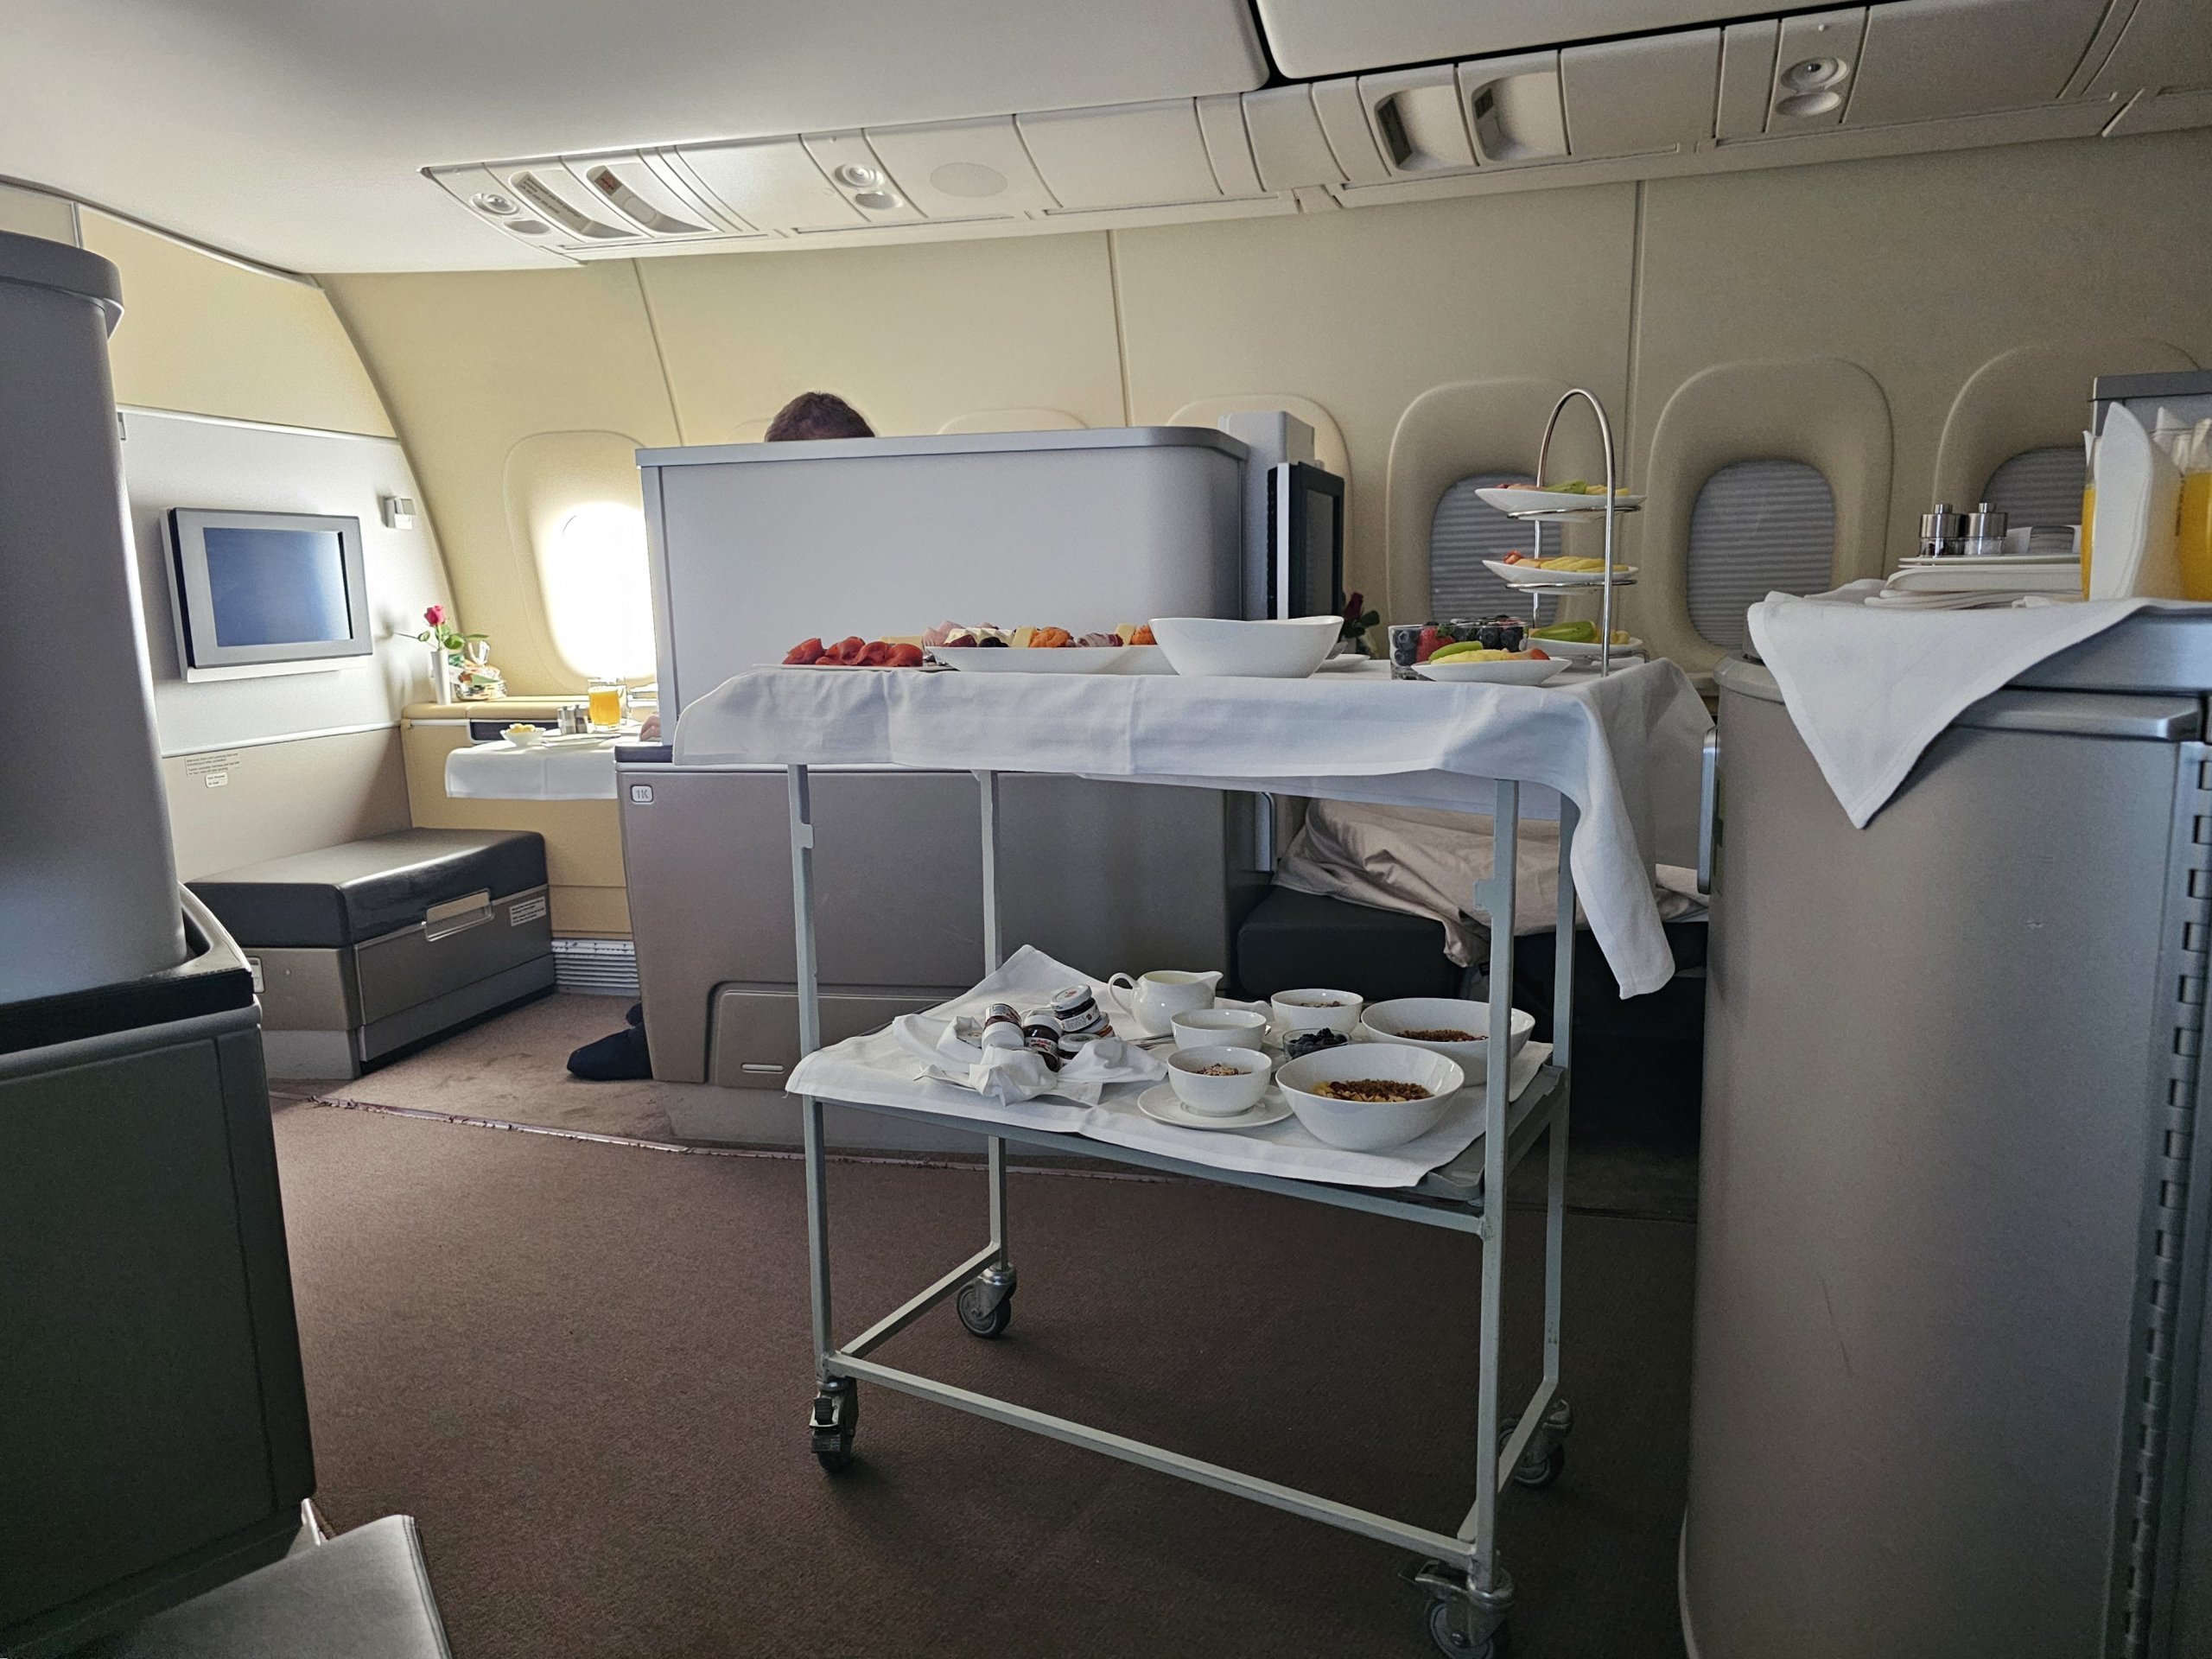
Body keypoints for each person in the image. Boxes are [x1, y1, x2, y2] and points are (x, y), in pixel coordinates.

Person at [568, 391, 875, 1082]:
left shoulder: (891, 542)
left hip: (860, 758)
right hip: (761, 757)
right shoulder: (744, 553)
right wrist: (686, 713)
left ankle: (665, 1020)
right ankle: (668, 1014)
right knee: (679, 827)